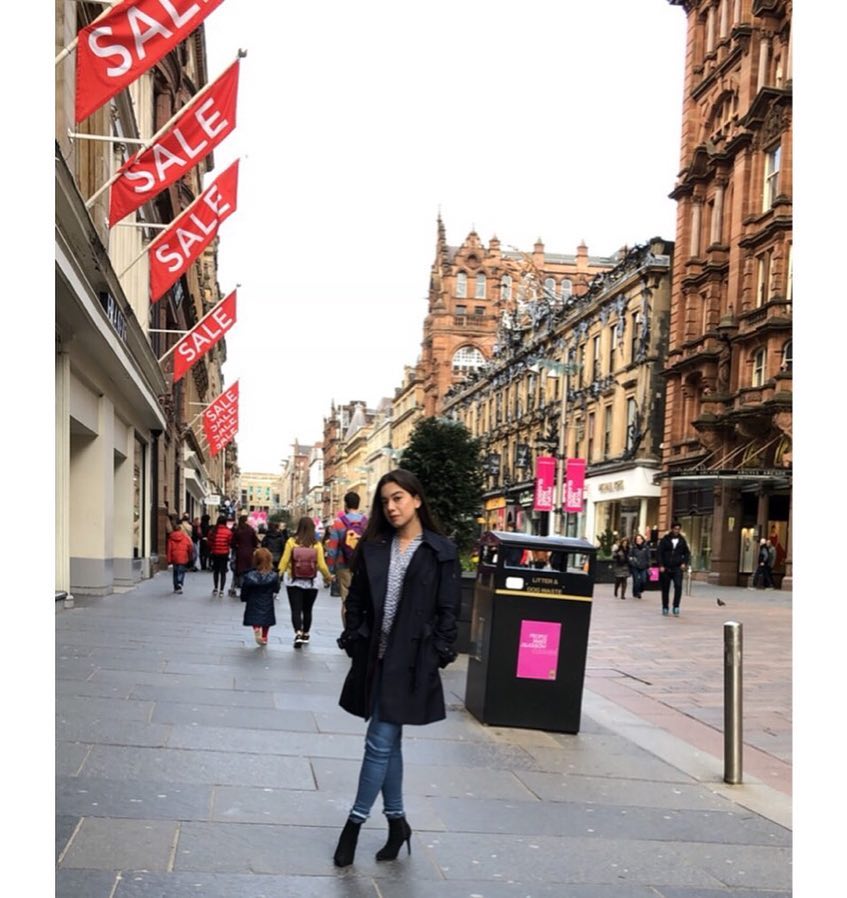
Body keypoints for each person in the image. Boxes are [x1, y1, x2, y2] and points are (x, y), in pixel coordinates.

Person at [332, 468, 460, 868]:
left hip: (412, 662)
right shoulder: (374, 547)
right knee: (390, 744)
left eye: (399, 498)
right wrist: (354, 637)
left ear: (417, 499)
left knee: (378, 741)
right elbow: (355, 601)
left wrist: (436, 653)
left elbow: (449, 611)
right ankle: (397, 822)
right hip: (375, 657)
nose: (391, 506)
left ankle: (353, 824)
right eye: (385, 500)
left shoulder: (440, 551)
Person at [278, 516, 332, 647]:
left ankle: (298, 632)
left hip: (294, 579)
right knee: (308, 609)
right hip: (312, 581)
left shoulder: (291, 542)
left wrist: (279, 573)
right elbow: (322, 565)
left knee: (295, 609)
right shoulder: (317, 544)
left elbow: (285, 560)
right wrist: (328, 577)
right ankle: (306, 633)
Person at [326, 491, 369, 623]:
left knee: (346, 599)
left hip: (343, 565)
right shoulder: (366, 523)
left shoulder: (338, 523)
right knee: (361, 599)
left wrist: (330, 569)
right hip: (361, 566)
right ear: (358, 504)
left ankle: (348, 630)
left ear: (345, 504)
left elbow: (332, 549)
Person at [240, 547, 280, 646]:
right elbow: (276, 588)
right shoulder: (273, 576)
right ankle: (265, 636)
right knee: (266, 620)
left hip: (253, 600)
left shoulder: (250, 575)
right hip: (267, 600)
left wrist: (244, 597)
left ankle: (257, 629)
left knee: (255, 617)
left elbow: (245, 588)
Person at [657, 521, 691, 616]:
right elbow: (659, 553)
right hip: (666, 567)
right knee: (665, 588)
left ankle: (676, 606)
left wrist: (684, 563)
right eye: (675, 529)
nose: (677, 531)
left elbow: (687, 553)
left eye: (678, 529)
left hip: (677, 567)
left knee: (678, 586)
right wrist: (661, 565)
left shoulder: (682, 540)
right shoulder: (665, 540)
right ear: (672, 529)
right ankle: (665, 607)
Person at [229, 515, 259, 598]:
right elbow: (255, 542)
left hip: (240, 553)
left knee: (240, 571)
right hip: (249, 553)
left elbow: (232, 543)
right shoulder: (251, 530)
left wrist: (237, 546)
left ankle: (240, 587)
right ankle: (247, 589)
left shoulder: (237, 530)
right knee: (249, 571)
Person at [208, 514, 234, 597]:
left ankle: (215, 588)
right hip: (224, 553)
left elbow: (209, 542)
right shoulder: (228, 532)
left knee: (215, 571)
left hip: (215, 553)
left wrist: (213, 547)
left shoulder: (213, 531)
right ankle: (222, 590)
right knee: (223, 572)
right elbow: (230, 543)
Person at [166, 521, 194, 594]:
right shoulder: (185, 537)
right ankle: (179, 583)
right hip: (183, 557)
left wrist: (169, 560)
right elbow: (190, 547)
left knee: (175, 572)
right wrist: (190, 557)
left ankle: (176, 586)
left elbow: (169, 549)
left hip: (174, 557)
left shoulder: (171, 538)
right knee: (181, 571)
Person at [262, 521, 287, 595]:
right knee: (277, 573)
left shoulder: (267, 537)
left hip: (269, 557)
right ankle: (276, 587)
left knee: (268, 572)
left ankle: (269, 587)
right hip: (278, 557)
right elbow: (283, 547)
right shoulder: (280, 536)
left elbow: (263, 546)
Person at [628, 533, 651, 599]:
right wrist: (632, 562)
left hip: (643, 566)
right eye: (637, 539)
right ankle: (636, 592)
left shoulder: (646, 547)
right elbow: (629, 556)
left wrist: (649, 565)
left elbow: (648, 557)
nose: (638, 540)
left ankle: (640, 590)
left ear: (642, 540)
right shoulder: (633, 548)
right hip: (635, 567)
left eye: (640, 539)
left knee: (643, 580)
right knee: (636, 580)